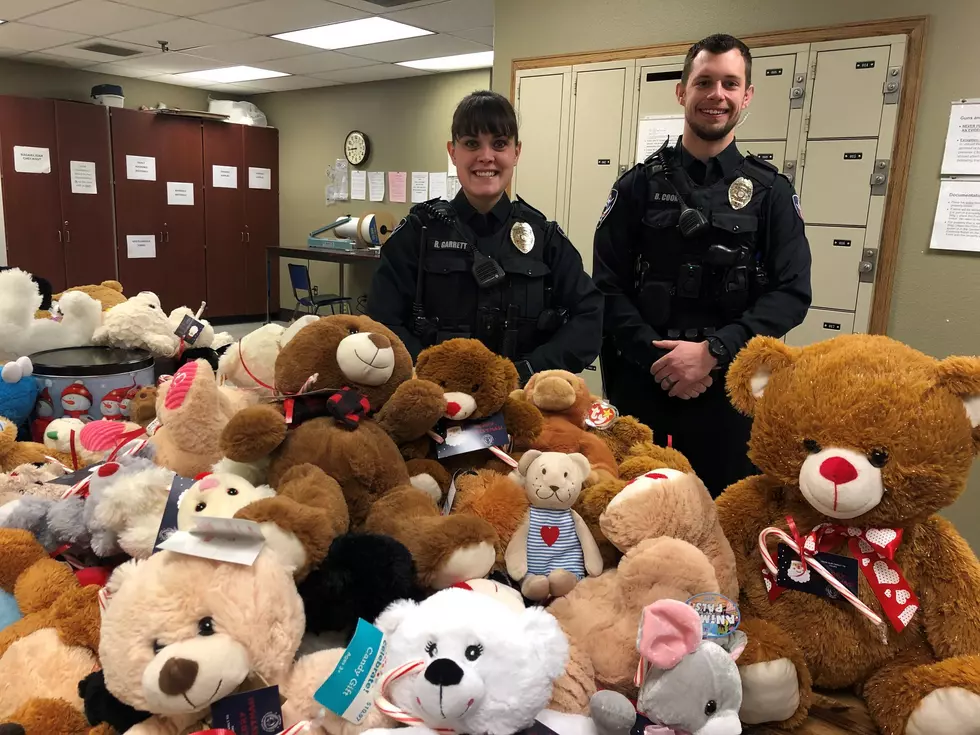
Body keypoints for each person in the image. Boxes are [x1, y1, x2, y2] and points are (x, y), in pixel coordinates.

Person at [592, 33, 812, 497]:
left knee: (726, 524)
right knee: (633, 519)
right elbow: (607, 287)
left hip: (731, 394)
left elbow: (792, 292)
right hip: (646, 386)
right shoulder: (636, 187)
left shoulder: (770, 191)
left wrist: (713, 352)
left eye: (730, 84)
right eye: (704, 82)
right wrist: (664, 362)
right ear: (682, 91)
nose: (717, 95)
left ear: (746, 95)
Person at [367, 90, 603, 385]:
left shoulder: (545, 238)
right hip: (435, 398)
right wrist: (434, 372)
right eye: (471, 144)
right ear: (453, 152)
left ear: (516, 152)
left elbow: (590, 317)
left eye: (499, 144)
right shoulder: (418, 234)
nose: (486, 156)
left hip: (523, 399)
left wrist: (528, 371)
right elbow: (381, 321)